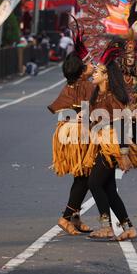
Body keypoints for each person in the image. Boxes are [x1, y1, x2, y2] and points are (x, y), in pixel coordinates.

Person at [83, 46, 137, 241]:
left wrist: (123, 154)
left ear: (106, 76)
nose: (94, 73)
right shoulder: (98, 94)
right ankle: (128, 227)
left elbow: (121, 123)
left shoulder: (112, 96)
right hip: (101, 144)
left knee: (94, 183)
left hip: (111, 146)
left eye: (97, 71)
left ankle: (106, 227)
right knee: (109, 189)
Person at [48, 24, 95, 236]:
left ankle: (74, 217)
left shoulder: (73, 84)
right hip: (80, 137)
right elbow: (90, 114)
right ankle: (66, 217)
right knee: (86, 176)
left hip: (70, 135)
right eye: (90, 63)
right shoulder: (87, 86)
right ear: (82, 70)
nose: (93, 64)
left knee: (82, 176)